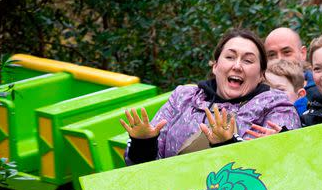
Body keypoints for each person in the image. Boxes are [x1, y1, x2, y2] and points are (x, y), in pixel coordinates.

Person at [121, 29, 300, 163]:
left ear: (261, 74)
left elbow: (284, 163)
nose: (237, 66)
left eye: (247, 60)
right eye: (230, 57)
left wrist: (228, 143)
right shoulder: (183, 97)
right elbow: (142, 167)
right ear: (215, 66)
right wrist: (142, 143)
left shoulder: (277, 105)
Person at [264, 27, 317, 94]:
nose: (279, 59)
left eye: (286, 52)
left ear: (302, 53)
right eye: (272, 55)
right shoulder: (257, 94)